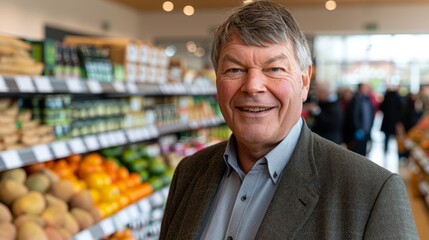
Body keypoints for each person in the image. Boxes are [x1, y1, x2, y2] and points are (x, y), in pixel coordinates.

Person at [160, 1, 418, 239]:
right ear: (217, 80)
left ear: (304, 82)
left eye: (274, 69)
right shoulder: (188, 173)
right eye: (235, 69)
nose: (253, 87)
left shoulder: (372, 192)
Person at [344, 82, 375, 156]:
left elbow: (371, 115)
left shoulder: (368, 100)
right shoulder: (355, 100)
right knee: (355, 154)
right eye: (366, 88)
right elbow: (353, 116)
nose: (368, 90)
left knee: (363, 154)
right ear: (360, 88)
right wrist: (358, 129)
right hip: (357, 133)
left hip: (366, 132)